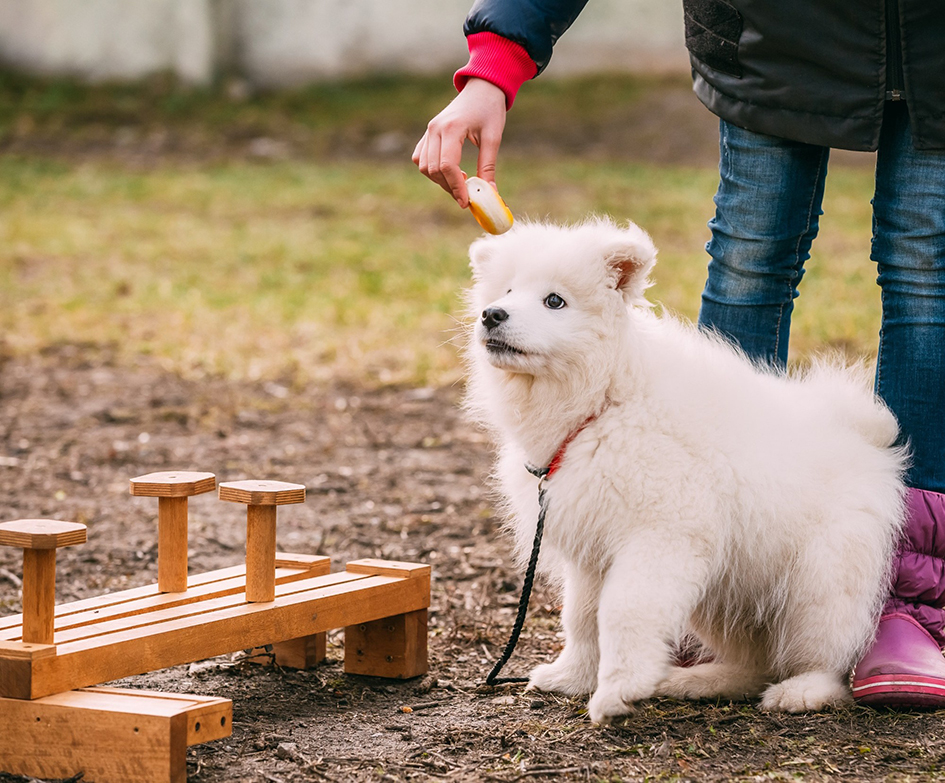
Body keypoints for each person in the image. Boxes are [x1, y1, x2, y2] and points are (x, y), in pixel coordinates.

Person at [413, 0, 945, 708]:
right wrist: (494, 64)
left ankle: (907, 602)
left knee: (925, 269)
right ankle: (696, 621)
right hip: (775, 32)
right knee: (750, 258)